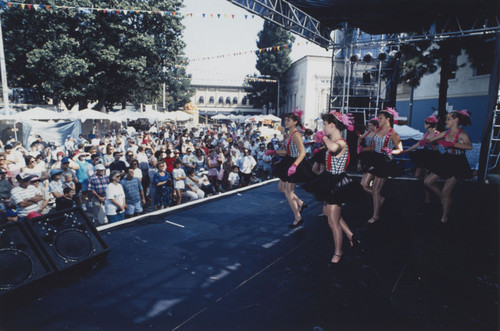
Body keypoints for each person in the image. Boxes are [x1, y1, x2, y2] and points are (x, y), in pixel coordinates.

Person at [304, 111, 361, 266]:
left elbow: (334, 148)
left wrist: (322, 137)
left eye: (325, 125)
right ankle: (350, 235)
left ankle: (339, 252)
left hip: (337, 182)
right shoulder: (331, 140)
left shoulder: (342, 142)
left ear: (333, 125)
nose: (324, 127)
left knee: (332, 221)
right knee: (329, 213)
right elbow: (327, 149)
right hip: (329, 179)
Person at [424, 110, 473, 223]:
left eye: (448, 119)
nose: (446, 121)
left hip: (458, 163)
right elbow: (430, 139)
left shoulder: (462, 134)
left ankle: (444, 218)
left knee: (446, 192)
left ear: (456, 120)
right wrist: (423, 141)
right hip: (446, 160)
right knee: (427, 181)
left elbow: (469, 147)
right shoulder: (446, 133)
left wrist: (453, 144)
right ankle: (443, 198)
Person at [270, 110, 312, 228]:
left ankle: (298, 218)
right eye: (286, 119)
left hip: (295, 163)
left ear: (295, 122)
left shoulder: (296, 135)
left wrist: (294, 166)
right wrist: (274, 151)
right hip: (289, 161)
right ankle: (301, 203)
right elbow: (287, 151)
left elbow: (302, 153)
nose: (286, 122)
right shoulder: (290, 134)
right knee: (281, 188)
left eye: (288, 120)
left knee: (289, 192)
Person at [364, 108, 403, 224]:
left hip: (384, 161)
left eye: (380, 118)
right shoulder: (378, 131)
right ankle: (380, 199)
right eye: (378, 118)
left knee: (376, 189)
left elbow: (400, 149)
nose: (378, 120)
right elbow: (372, 147)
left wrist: (391, 151)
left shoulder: (393, 133)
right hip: (375, 159)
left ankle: (376, 216)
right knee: (364, 185)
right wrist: (362, 149)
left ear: (387, 119)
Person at [403, 114, 441, 203]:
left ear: (428, 125)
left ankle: (429, 197)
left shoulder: (437, 133)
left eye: (425, 124)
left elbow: (440, 143)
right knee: (417, 175)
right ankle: (428, 191)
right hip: (426, 155)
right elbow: (418, 144)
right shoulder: (426, 134)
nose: (424, 125)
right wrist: (407, 150)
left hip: (433, 156)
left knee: (427, 176)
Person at [357, 118, 378, 194]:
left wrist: (362, 149)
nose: (369, 127)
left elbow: (374, 147)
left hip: (374, 158)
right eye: (368, 125)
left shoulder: (377, 134)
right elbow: (360, 138)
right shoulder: (368, 132)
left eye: (371, 125)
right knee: (363, 185)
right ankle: (377, 198)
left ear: (375, 126)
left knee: (365, 185)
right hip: (367, 157)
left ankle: (379, 198)